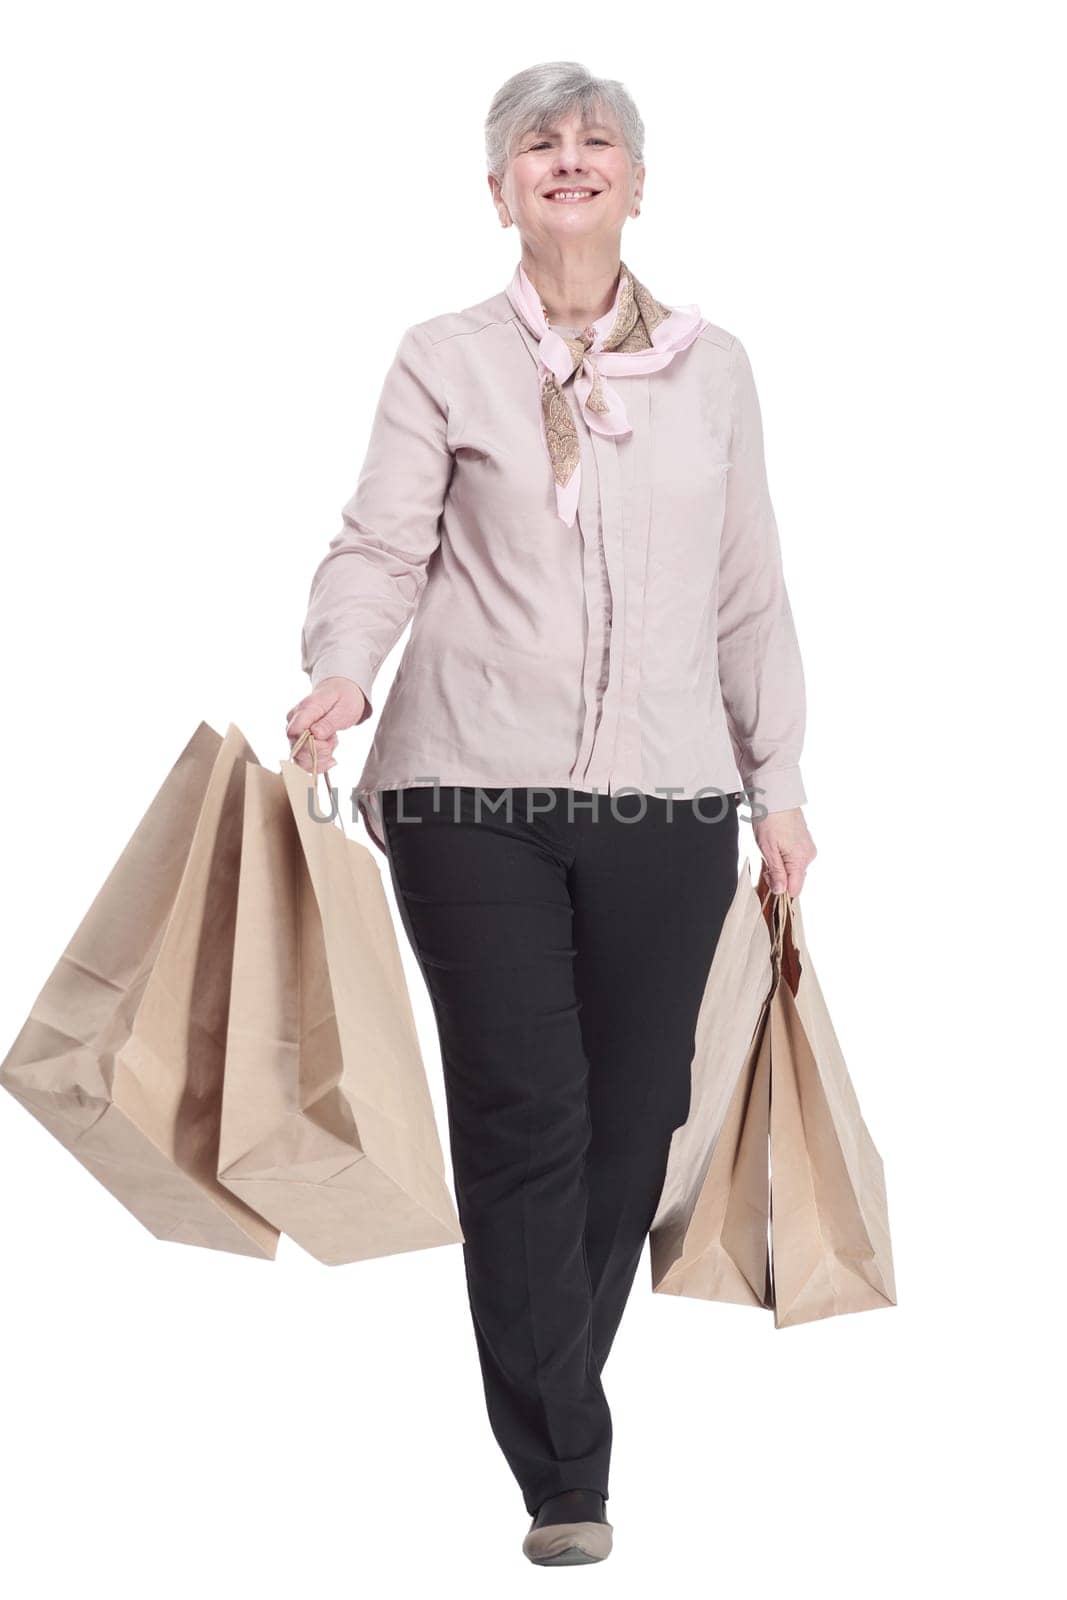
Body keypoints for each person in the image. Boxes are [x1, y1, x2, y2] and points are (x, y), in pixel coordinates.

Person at [287, 60, 817, 1566]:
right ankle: (566, 1472)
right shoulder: (442, 358)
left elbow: (748, 596)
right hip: (469, 792)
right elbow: (380, 544)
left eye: (598, 143)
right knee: (530, 1110)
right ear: (500, 188)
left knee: (635, 1116)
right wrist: (339, 672)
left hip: (669, 801)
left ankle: (547, 1377)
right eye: (539, 142)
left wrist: (778, 786)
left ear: (638, 185)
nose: (568, 159)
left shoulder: (715, 371)